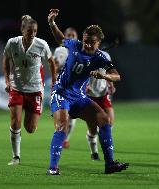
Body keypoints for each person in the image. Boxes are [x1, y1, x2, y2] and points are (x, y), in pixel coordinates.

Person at [47, 9, 128, 175]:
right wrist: (52, 23)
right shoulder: (75, 44)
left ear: (98, 43)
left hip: (78, 97)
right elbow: (61, 39)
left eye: (91, 43)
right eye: (85, 41)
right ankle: (53, 168)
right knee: (62, 126)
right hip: (61, 93)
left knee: (104, 120)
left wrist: (104, 75)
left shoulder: (100, 58)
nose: (87, 45)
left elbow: (117, 76)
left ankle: (110, 164)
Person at [2, 15, 56, 165]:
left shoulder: (41, 44)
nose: (32, 34)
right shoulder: (12, 43)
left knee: (30, 128)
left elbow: (51, 62)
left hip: (35, 89)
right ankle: (16, 157)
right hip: (17, 87)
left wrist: (54, 82)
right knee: (15, 122)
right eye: (29, 31)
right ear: (22, 30)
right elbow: (6, 59)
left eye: (35, 31)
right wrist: (7, 80)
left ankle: (28, 119)